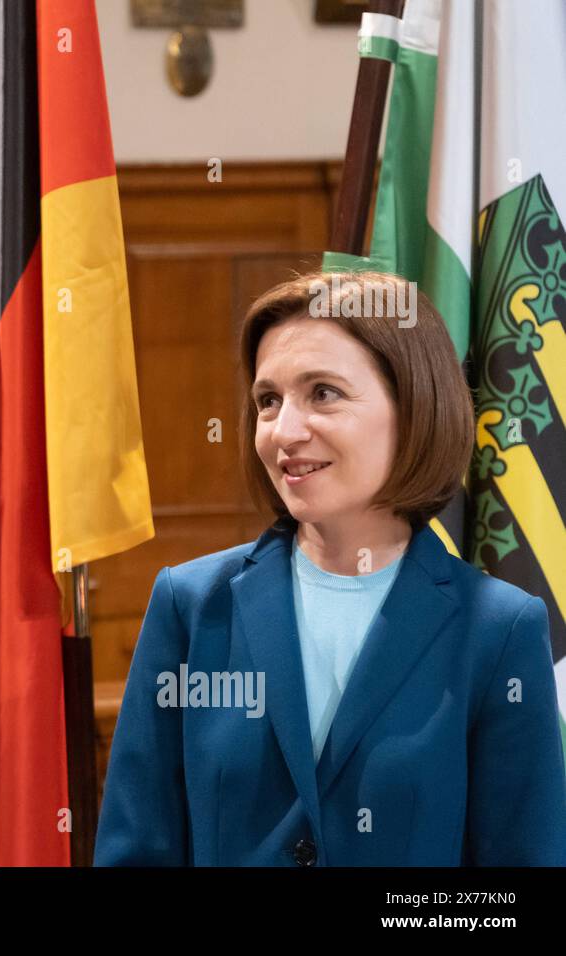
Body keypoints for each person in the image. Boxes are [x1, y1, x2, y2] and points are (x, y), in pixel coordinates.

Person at [95, 270, 566, 866]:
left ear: (413, 405)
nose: (284, 431)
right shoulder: (190, 605)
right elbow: (135, 854)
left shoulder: (499, 630)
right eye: (268, 400)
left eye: (323, 392)